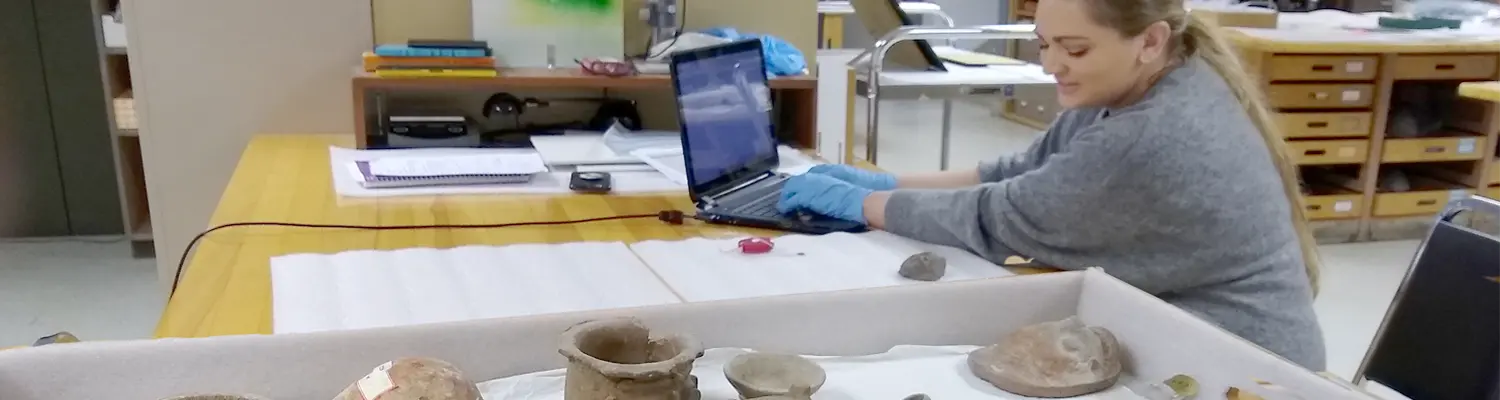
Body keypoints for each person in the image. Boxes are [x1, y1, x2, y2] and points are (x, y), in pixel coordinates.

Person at [776, 0, 1326, 369]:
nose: (1051, 65)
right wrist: (885, 181)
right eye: (1044, 44)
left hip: (1243, 369)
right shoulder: (1143, 85)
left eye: (1075, 49)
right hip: (1189, 340)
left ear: (1150, 41)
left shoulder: (1152, 134)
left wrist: (863, 202)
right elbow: (1019, 172)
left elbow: (996, 218)